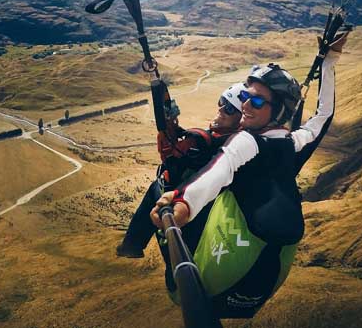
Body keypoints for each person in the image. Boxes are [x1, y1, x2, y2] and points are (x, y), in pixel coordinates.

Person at [150, 33, 348, 318]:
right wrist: (330, 61)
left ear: (277, 109)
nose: (245, 105)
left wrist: (182, 201)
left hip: (231, 266)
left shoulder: (246, 142)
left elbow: (221, 169)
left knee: (161, 190)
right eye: (245, 96)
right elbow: (323, 116)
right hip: (268, 269)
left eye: (256, 102)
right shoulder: (294, 143)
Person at [116, 81, 247, 258]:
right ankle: (132, 245)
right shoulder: (223, 136)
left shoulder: (228, 142)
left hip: (198, 204)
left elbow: (192, 153)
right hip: (199, 199)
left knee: (158, 188)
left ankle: (132, 244)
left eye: (230, 109)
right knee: (159, 185)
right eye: (221, 102)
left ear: (242, 118)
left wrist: (191, 139)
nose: (221, 110)